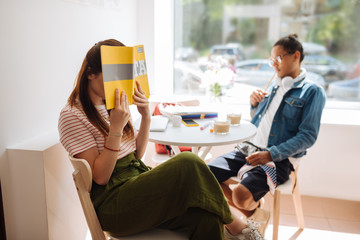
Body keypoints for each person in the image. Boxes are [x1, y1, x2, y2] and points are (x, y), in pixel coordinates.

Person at [58, 39, 236, 240]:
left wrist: (146, 116)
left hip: (136, 186)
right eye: (111, 74)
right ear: (90, 73)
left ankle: (232, 226)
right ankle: (237, 226)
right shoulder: (73, 115)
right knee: (189, 162)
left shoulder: (113, 104)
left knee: (206, 217)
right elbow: (100, 177)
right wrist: (115, 128)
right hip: (113, 204)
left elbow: (137, 156)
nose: (117, 82)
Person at [208, 34, 326, 240]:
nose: (274, 64)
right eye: (272, 59)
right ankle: (256, 216)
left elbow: (308, 136)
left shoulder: (313, 92)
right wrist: (254, 105)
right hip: (248, 148)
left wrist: (271, 154)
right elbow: (262, 122)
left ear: (296, 56)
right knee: (204, 174)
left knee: (240, 195)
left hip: (278, 158)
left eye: (278, 58)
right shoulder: (274, 86)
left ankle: (246, 217)